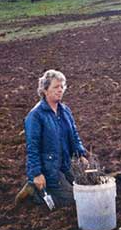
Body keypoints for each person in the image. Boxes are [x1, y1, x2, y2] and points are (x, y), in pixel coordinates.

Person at [15, 69, 89, 208]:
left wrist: (81, 154)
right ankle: (34, 192)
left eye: (62, 86)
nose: (60, 90)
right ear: (45, 90)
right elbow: (32, 147)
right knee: (76, 201)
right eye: (56, 87)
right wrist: (36, 174)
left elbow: (74, 135)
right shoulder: (36, 116)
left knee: (86, 190)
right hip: (49, 169)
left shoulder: (65, 111)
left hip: (65, 165)